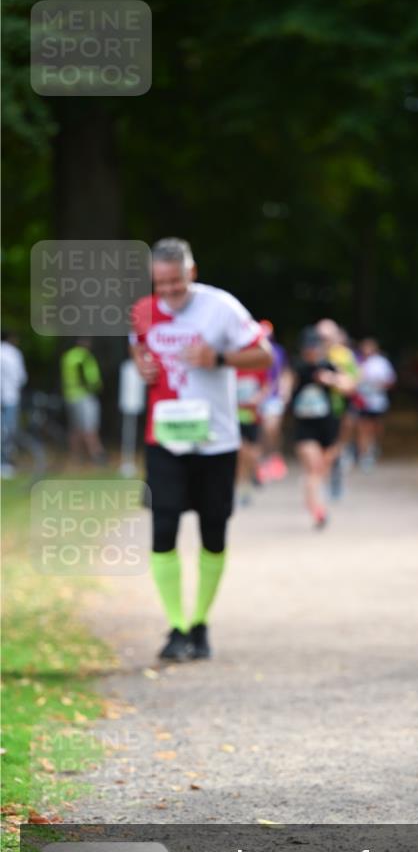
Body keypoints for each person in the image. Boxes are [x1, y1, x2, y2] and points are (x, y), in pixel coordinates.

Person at [130, 237, 272, 661]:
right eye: (162, 285)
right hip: (165, 438)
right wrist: (141, 367)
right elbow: (139, 355)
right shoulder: (142, 312)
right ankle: (175, 627)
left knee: (213, 531)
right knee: (163, 527)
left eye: (176, 282)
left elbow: (263, 357)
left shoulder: (221, 307)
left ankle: (200, 623)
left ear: (192, 273)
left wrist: (221, 359)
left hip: (217, 440)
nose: (169, 293)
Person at [290, 326, 355, 529]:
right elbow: (284, 389)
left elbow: (349, 386)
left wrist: (331, 379)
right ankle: (317, 511)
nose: (312, 352)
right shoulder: (297, 369)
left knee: (321, 470)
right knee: (314, 467)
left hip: (327, 426)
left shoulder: (328, 366)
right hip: (304, 427)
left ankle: (315, 500)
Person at [315, 318, 359, 498]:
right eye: (321, 336)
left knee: (334, 447)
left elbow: (352, 383)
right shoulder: (312, 354)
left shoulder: (343, 355)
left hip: (337, 407)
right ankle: (319, 483)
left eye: (327, 336)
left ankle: (334, 481)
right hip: (314, 411)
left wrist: (332, 379)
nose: (324, 339)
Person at [236, 322, 272, 505]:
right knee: (241, 453)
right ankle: (242, 488)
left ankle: (252, 477)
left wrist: (258, 398)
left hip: (253, 415)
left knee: (251, 453)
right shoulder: (232, 365)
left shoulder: (258, 367)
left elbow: (266, 387)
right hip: (236, 415)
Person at [354, 337, 397, 472]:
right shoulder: (358, 362)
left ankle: (374, 445)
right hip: (362, 400)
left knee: (376, 426)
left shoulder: (381, 363)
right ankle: (364, 455)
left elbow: (390, 381)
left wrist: (379, 385)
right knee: (363, 427)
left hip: (377, 401)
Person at [61, 337, 105, 464]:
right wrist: (97, 386)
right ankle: (96, 455)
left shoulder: (68, 356)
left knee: (75, 428)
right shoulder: (84, 357)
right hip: (84, 395)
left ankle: (75, 456)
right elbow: (90, 379)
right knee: (90, 427)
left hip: (70, 395)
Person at [257, 322, 291, 485]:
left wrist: (285, 392)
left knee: (272, 428)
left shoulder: (279, 351)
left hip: (274, 396)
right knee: (262, 431)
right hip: (257, 397)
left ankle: (275, 456)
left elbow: (285, 373)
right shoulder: (251, 352)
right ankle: (264, 461)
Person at [0, 330, 27, 478]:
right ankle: (5, 463)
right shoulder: (14, 353)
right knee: (9, 431)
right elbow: (21, 377)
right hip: (11, 397)